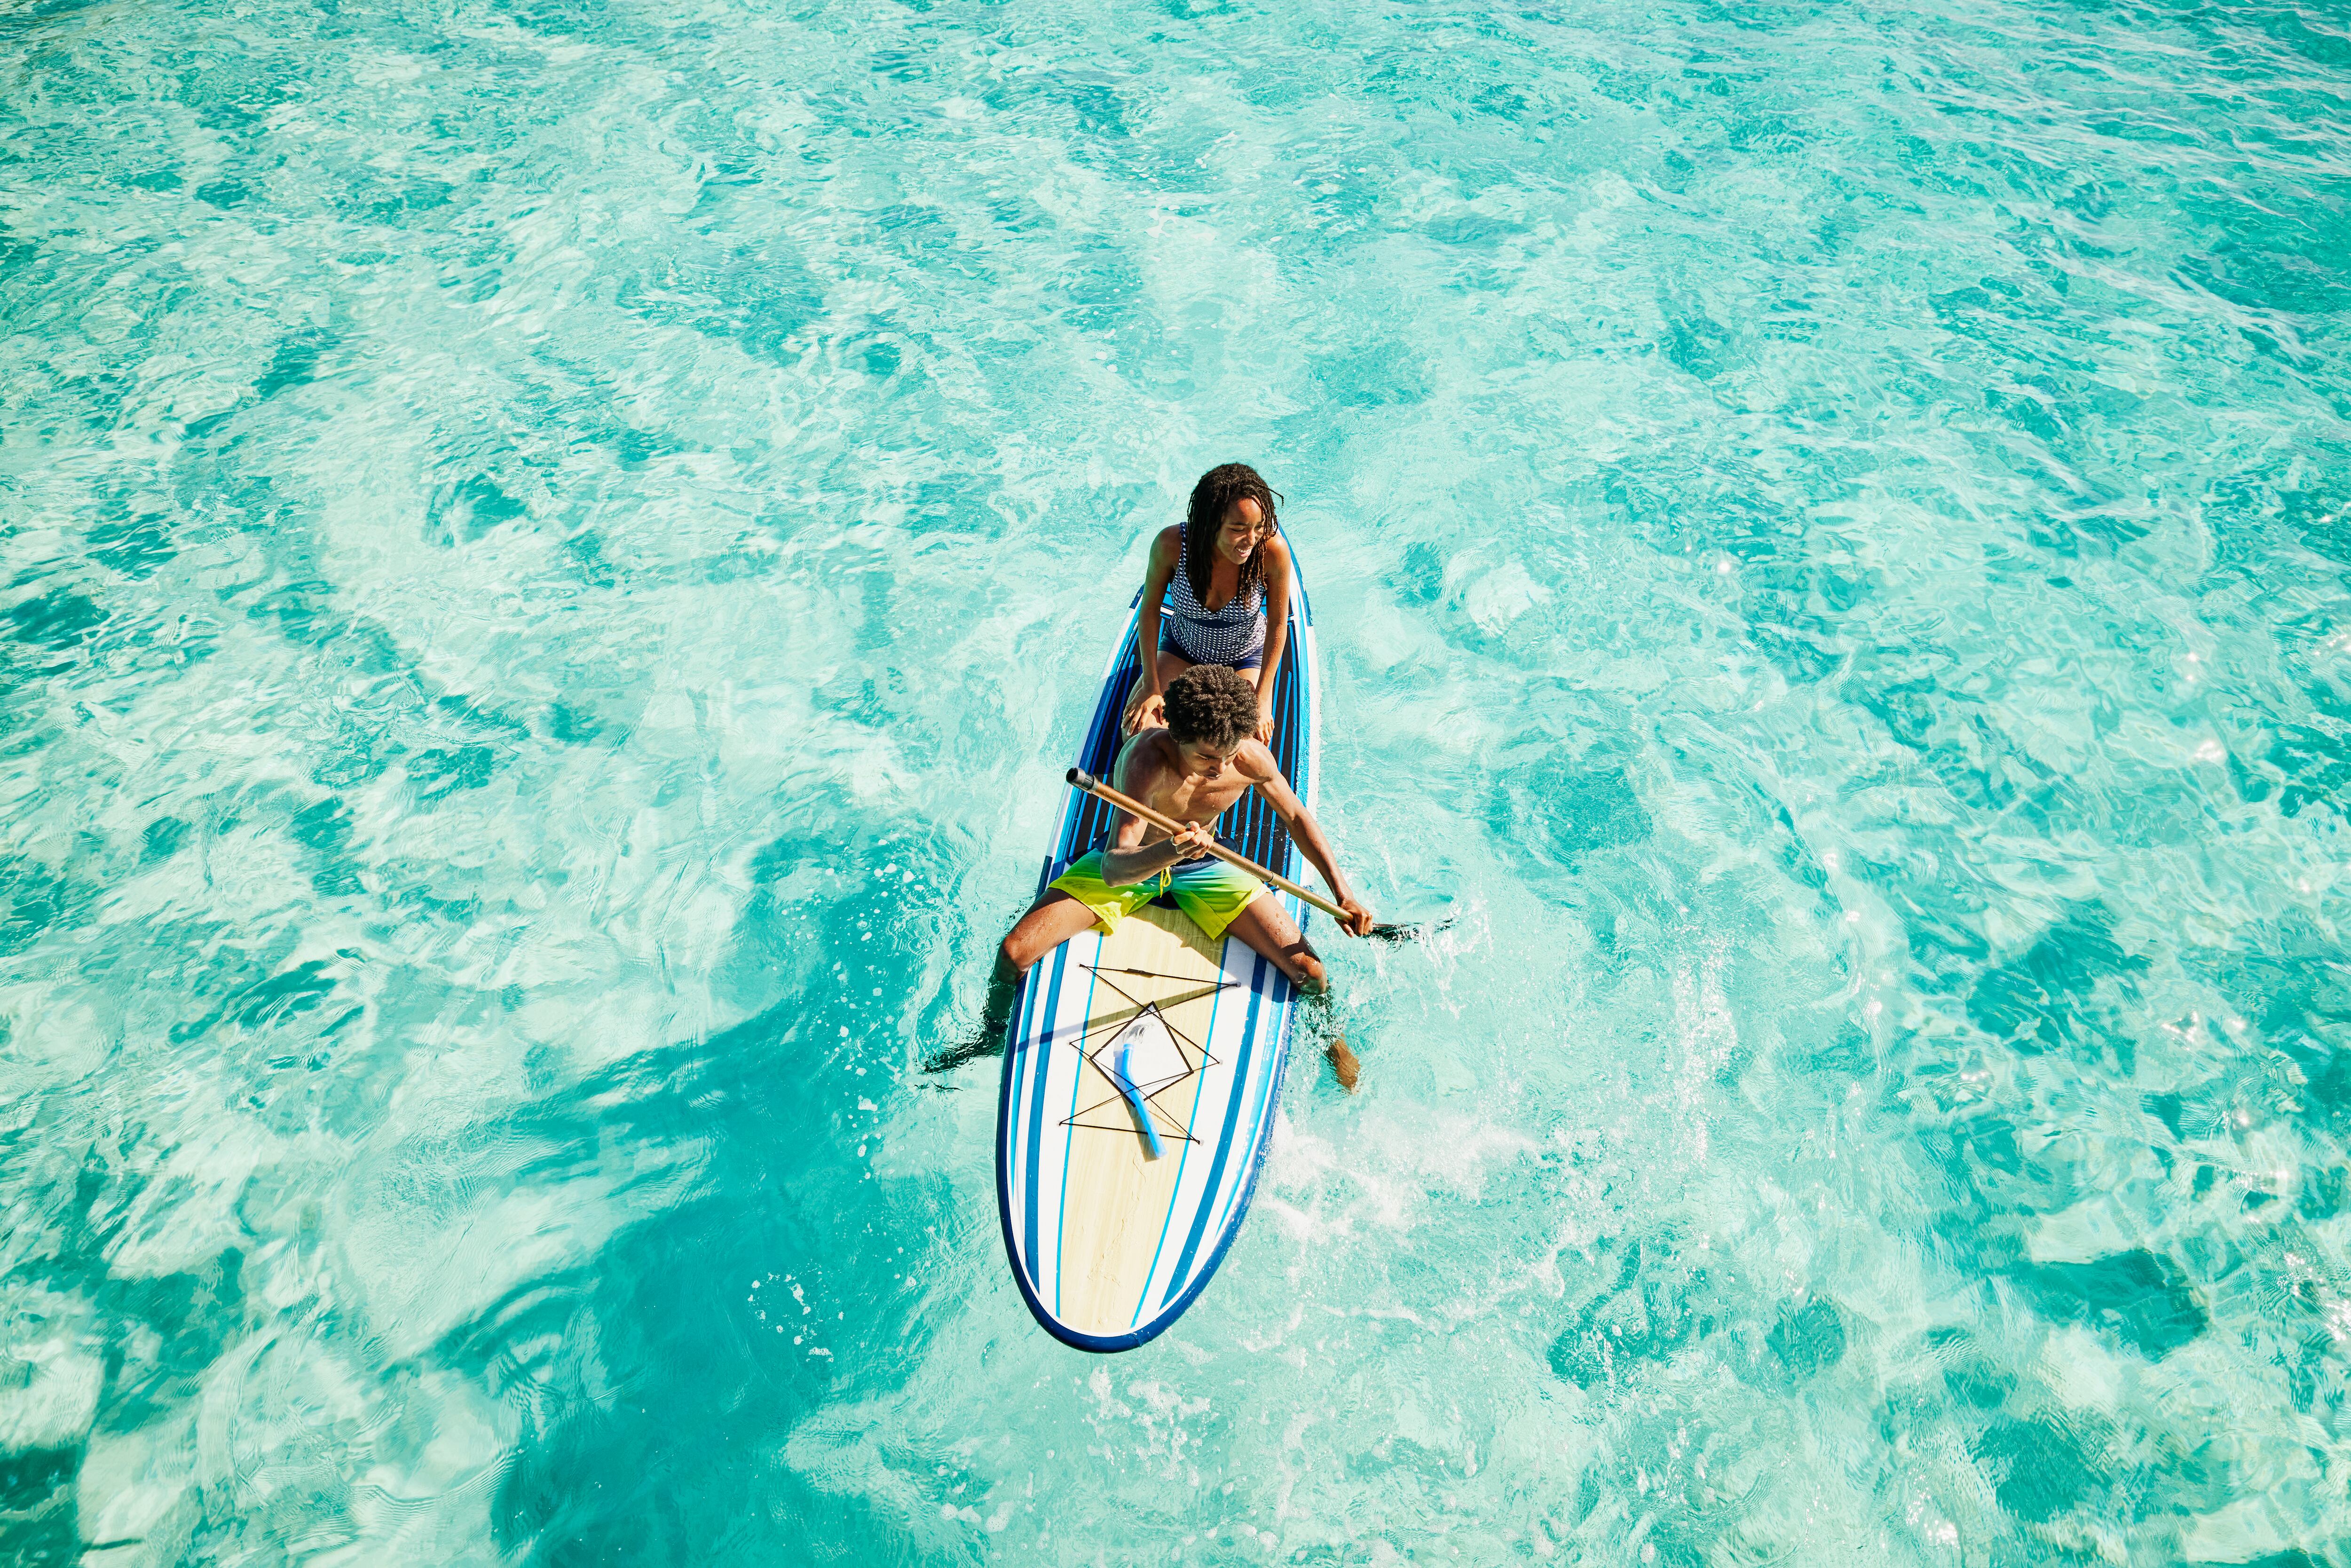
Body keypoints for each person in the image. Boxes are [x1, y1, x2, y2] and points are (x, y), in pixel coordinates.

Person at [997, 663, 1374, 1084]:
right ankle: (992, 1036)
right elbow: (1114, 866)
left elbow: (1297, 817)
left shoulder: (1246, 757)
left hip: (1204, 866)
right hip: (1138, 862)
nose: (1220, 769)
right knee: (1013, 953)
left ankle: (1334, 1044)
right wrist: (1168, 849)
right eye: (1208, 757)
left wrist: (1343, 894)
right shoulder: (1143, 761)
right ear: (1176, 735)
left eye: (1228, 756)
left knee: (1311, 971)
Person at [1124, 463, 1294, 744]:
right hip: (1183, 650)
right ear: (1209, 522)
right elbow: (1151, 609)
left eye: (1259, 527)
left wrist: (1264, 698)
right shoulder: (1172, 545)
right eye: (1239, 528)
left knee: (1247, 745)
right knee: (1140, 735)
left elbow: (1278, 624)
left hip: (1244, 658)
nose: (1251, 540)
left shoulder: (1271, 552)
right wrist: (1151, 684)